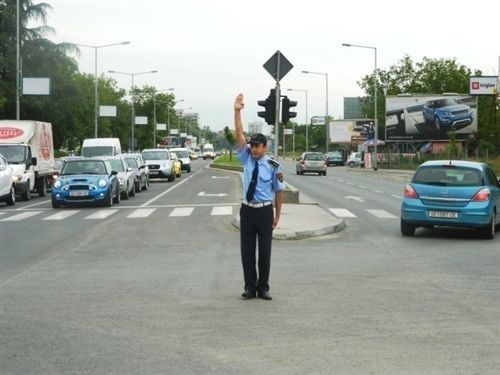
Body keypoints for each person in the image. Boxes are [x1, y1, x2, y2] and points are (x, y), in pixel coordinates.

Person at [234, 93, 284, 301]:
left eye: (256, 146)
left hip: (264, 211)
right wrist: (237, 111)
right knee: (247, 252)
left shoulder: (273, 166)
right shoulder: (247, 159)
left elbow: (278, 191)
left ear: (265, 148)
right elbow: (239, 133)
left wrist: (277, 215)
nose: (252, 149)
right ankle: (249, 286)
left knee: (264, 252)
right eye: (251, 146)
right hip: (247, 210)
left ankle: (263, 287)